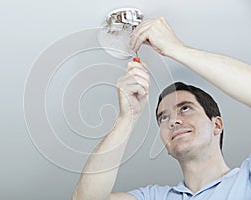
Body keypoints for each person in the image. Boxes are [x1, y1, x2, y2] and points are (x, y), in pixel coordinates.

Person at [72, 17, 251, 200]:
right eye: (163, 118)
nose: (173, 121)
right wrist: (127, 117)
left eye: (185, 108)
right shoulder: (155, 197)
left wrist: (176, 49)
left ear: (217, 125)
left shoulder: (246, 180)